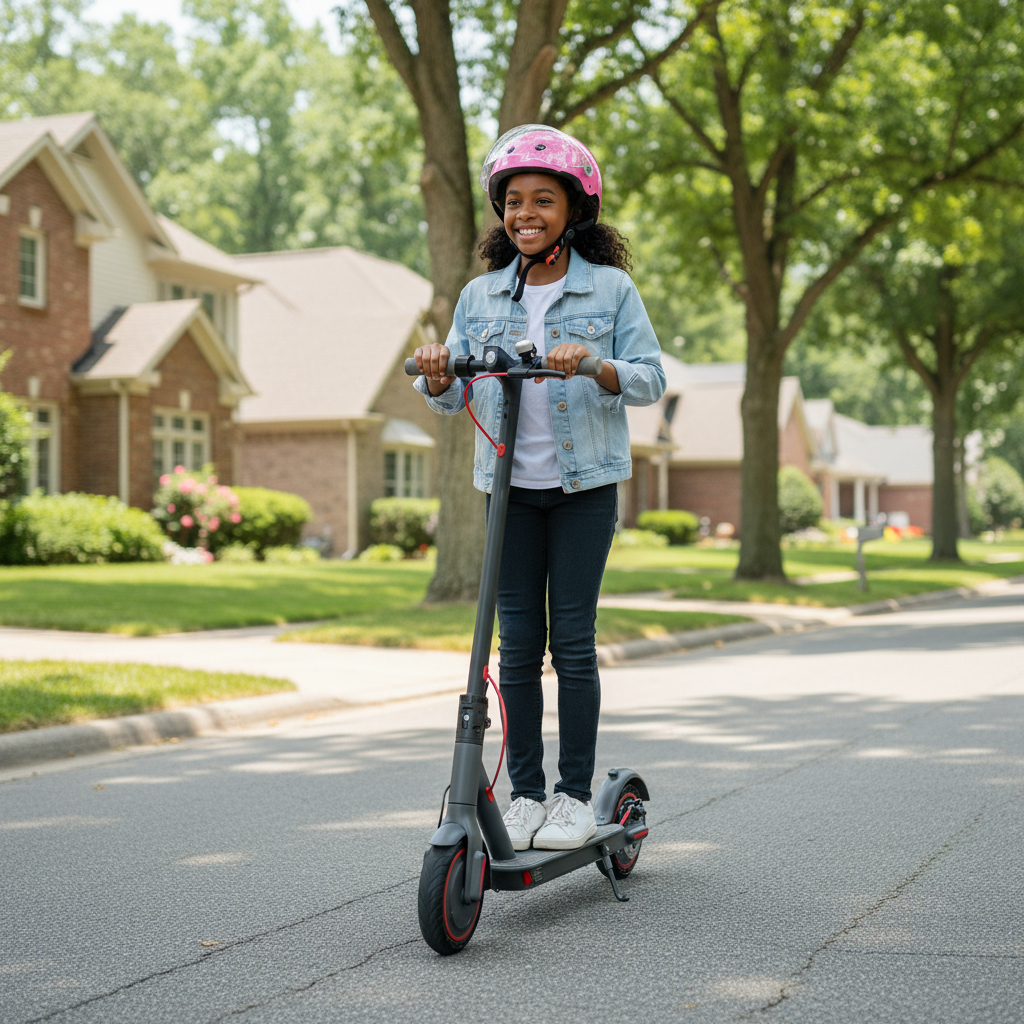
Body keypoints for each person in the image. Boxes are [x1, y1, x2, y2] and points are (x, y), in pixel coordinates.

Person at [413, 125, 665, 852]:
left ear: (573, 210)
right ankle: (525, 795)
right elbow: (453, 396)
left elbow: (649, 378)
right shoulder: (479, 296)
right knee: (517, 647)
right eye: (515, 200)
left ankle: (574, 798)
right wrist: (439, 373)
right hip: (509, 492)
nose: (526, 212)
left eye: (543, 200)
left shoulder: (610, 289)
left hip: (583, 490)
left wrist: (593, 364)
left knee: (573, 644)